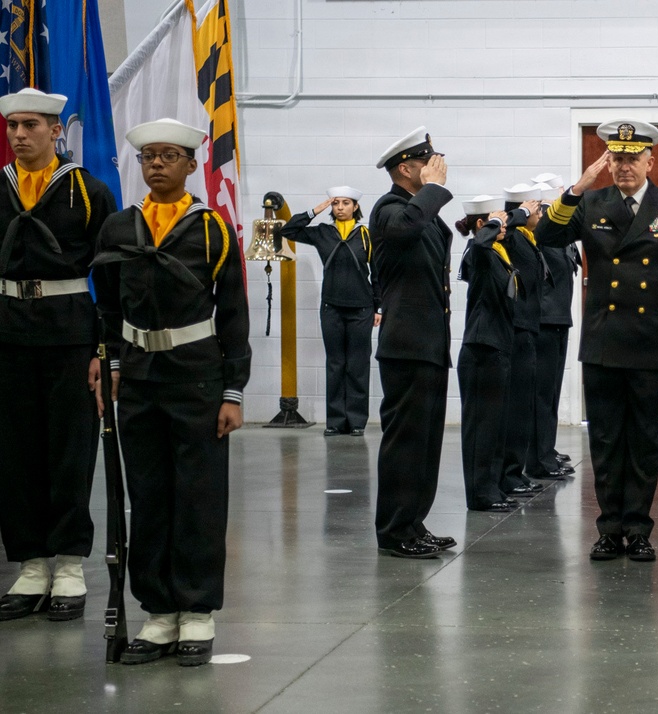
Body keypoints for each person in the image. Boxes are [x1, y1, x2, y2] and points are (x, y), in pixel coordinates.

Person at [92, 118, 251, 665]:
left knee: (200, 498)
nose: (156, 164)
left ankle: (197, 613)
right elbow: (108, 307)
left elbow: (232, 313)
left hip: (197, 378)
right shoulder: (119, 226)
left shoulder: (211, 229)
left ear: (189, 165)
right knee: (151, 497)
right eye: (148, 157)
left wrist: (233, 391)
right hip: (138, 379)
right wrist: (109, 361)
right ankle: (159, 613)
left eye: (168, 156)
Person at [534, 120, 658, 562]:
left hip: (651, 342)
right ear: (607, 162)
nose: (625, 166)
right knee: (606, 440)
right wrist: (577, 186)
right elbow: (545, 236)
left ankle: (639, 528)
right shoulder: (591, 202)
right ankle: (609, 528)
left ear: (651, 161)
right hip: (605, 341)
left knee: (644, 439)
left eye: (632, 158)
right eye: (617, 158)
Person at [0, 88, 117, 622]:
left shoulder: (87, 191)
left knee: (71, 450)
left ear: (55, 131)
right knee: (15, 452)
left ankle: (69, 562)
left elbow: (111, 277)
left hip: (71, 336)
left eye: (30, 125)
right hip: (8, 334)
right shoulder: (0, 188)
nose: (19, 135)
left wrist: (105, 348)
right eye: (12, 127)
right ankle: (30, 562)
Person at [370, 127, 456, 558]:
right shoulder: (388, 208)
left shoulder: (417, 210)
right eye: (427, 161)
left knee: (425, 441)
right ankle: (394, 530)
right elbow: (405, 229)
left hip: (428, 344)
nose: (436, 166)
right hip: (405, 344)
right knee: (405, 442)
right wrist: (435, 188)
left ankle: (413, 522)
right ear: (406, 167)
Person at [281, 186, 381, 436]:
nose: (340, 208)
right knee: (335, 364)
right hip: (332, 308)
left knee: (357, 365)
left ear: (355, 207)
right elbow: (288, 230)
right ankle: (336, 422)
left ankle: (356, 422)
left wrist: (379, 306)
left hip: (362, 308)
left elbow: (378, 274)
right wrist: (314, 210)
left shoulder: (367, 235)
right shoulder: (323, 233)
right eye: (336, 203)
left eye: (346, 203)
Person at [455, 196, 521, 512]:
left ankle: (491, 487)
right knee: (481, 427)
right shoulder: (479, 252)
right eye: (498, 222)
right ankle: (480, 493)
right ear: (482, 225)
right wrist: (493, 223)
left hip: (497, 346)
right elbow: (478, 244)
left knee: (495, 425)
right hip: (482, 349)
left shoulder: (498, 252)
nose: (504, 227)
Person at [525, 176, 579, 481]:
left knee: (551, 393)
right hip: (544, 321)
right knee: (541, 395)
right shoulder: (543, 233)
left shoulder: (560, 233)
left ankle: (546, 448)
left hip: (558, 319)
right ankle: (537, 458)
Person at [497, 184, 547, 498]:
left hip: (528, 327)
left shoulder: (528, 238)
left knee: (523, 405)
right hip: (516, 328)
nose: (540, 215)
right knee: (515, 407)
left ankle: (514, 471)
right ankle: (509, 474)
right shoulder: (512, 236)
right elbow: (502, 221)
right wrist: (520, 212)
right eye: (536, 210)